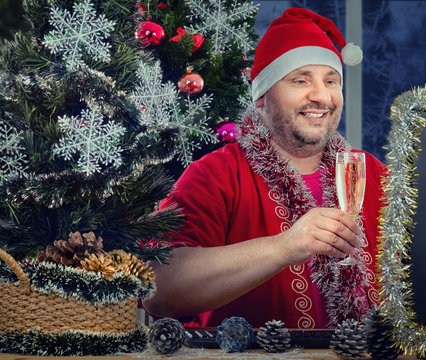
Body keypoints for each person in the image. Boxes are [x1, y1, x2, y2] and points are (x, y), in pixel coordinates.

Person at [142, 8, 387, 329]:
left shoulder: (371, 172)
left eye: (332, 81)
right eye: (300, 80)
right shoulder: (215, 174)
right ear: (262, 96)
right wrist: (286, 246)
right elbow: (157, 289)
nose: (322, 96)